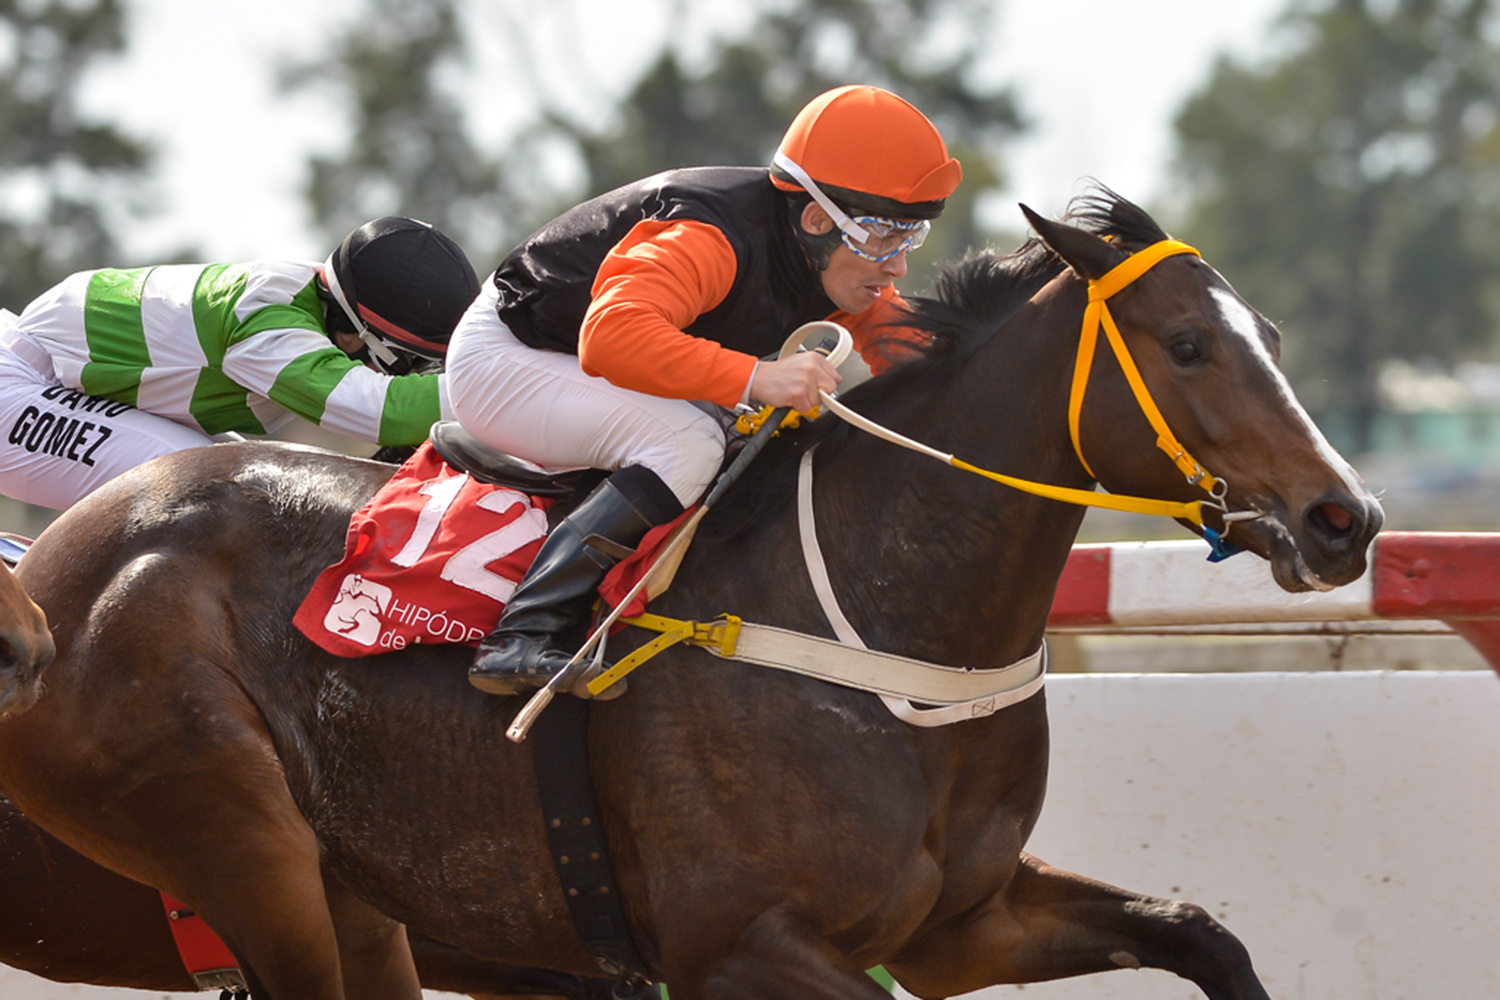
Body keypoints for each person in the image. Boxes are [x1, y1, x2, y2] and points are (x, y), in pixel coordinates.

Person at [447, 84, 963, 695]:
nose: (898, 264)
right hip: (508, 357)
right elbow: (610, 336)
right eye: (882, 236)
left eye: (910, 237)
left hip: (577, 359)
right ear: (817, 219)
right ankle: (524, 633)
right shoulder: (711, 236)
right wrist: (759, 377)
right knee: (689, 442)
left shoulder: (830, 259)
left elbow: (921, 361)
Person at [0, 216, 481, 511]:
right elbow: (382, 410)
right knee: (208, 491)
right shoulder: (270, 325)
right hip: (22, 385)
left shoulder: (311, 300)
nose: (411, 374)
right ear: (357, 333)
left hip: (60, 380)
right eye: (408, 361)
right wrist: (499, 389)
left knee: (274, 487)